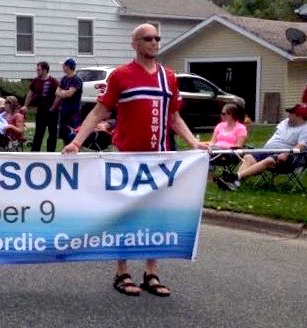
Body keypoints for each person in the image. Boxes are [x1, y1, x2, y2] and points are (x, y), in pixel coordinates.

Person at [61, 23, 206, 297]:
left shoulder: (169, 77)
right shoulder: (121, 76)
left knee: (156, 214)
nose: (154, 42)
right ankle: (122, 272)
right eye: (147, 38)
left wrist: (194, 143)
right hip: (127, 158)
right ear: (135, 44)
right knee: (125, 213)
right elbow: (99, 112)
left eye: (157, 38)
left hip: (161, 158)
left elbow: (174, 117)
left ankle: (151, 273)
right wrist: (77, 141)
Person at [217, 103, 307, 191]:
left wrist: (286, 153)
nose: (288, 115)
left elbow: (301, 147)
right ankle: (234, 182)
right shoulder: (285, 122)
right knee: (249, 157)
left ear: (299, 116)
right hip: (268, 151)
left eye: (291, 113)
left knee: (270, 160)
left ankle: (234, 178)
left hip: (291, 158)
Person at [22, 61, 59, 152]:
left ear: (45, 70)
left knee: (52, 134)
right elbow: (30, 94)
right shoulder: (35, 81)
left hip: (52, 112)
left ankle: (50, 153)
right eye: (37, 70)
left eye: (39, 70)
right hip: (41, 111)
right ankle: (35, 152)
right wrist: (25, 105)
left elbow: (58, 96)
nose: (37, 71)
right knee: (38, 132)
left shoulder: (53, 81)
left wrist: (53, 107)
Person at [205, 104, 248, 178]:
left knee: (210, 152)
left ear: (232, 114)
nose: (221, 115)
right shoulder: (220, 126)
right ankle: (205, 175)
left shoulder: (241, 128)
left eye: (224, 113)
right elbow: (213, 141)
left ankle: (209, 176)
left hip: (231, 153)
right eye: (221, 113)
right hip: (215, 150)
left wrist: (223, 148)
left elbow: (238, 146)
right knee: (202, 150)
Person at [53, 58, 83, 147]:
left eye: (64, 66)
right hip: (64, 111)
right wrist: (63, 93)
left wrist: (63, 93)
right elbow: (57, 92)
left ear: (68, 67)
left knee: (73, 134)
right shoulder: (64, 79)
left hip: (73, 113)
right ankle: (65, 151)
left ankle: (75, 150)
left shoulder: (76, 79)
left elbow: (69, 94)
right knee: (64, 135)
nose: (62, 67)